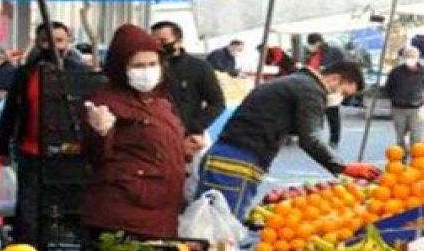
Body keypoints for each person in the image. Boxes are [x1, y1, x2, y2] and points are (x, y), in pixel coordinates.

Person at [196, 62, 379, 220]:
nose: (340, 99)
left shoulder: (295, 82)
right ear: (334, 79)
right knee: (222, 225)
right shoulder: (311, 91)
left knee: (206, 220)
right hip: (238, 163)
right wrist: (342, 167)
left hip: (225, 156)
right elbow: (310, 138)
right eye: (344, 93)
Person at [80, 24, 187, 241]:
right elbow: (95, 156)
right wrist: (100, 132)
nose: (147, 71)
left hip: (163, 213)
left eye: (152, 64)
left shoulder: (161, 101)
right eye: (138, 66)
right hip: (124, 216)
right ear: (122, 68)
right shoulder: (105, 101)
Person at [0, 21, 92, 244]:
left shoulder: (79, 73)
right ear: (38, 43)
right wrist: (2, 146)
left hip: (68, 152)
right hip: (31, 150)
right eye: (47, 40)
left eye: (59, 40)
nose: (52, 46)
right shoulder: (26, 74)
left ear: (68, 42)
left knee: (66, 206)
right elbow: (11, 110)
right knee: (29, 208)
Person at [150, 21, 226, 153]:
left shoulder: (199, 67)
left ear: (179, 41)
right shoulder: (149, 66)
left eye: (163, 40)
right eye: (153, 41)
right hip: (153, 134)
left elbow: (217, 103)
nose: (158, 45)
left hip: (187, 138)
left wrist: (194, 127)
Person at [383, 47, 424, 151]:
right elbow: (388, 88)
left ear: (417, 58)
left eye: (413, 57)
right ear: (404, 58)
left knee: (416, 134)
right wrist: (395, 98)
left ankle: (416, 156)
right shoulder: (396, 72)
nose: (410, 59)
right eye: (408, 57)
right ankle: (401, 154)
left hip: (417, 107)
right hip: (398, 108)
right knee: (400, 133)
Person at [305, 34, 348, 148]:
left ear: (318, 42)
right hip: (315, 86)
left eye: (312, 44)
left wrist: (327, 69)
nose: (311, 47)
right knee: (316, 114)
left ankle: (334, 140)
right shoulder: (312, 54)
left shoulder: (334, 52)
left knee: (332, 113)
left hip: (330, 87)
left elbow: (343, 67)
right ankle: (316, 138)